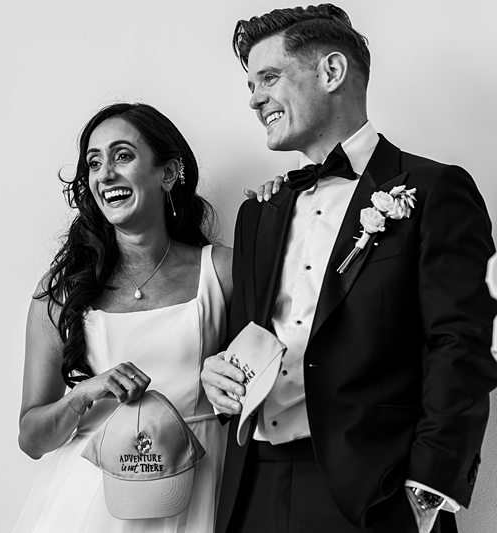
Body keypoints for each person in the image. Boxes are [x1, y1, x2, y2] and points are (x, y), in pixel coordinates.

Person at [200, 4, 497, 533]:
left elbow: (463, 345)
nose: (254, 99)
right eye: (250, 84)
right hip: (255, 490)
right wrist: (218, 373)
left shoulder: (435, 191)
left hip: (376, 495)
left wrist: (426, 490)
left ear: (331, 72)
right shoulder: (257, 214)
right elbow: (248, 338)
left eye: (269, 77)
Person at [13, 102, 236, 533]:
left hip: (205, 487)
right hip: (93, 502)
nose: (104, 174)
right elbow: (31, 440)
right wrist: (84, 394)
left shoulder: (223, 271)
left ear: (167, 173)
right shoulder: (63, 291)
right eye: (94, 162)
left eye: (122, 156)